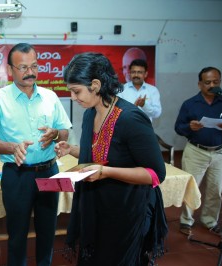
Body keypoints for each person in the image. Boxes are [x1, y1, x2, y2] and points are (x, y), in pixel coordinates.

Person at [55, 52, 167, 265]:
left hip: (126, 210)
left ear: (95, 85)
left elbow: (155, 174)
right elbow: (98, 153)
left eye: (76, 91)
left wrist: (106, 172)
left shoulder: (130, 118)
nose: (72, 97)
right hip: (97, 205)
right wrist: (71, 149)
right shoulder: (90, 113)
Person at [0, 43, 72, 266]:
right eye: (23, 67)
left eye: (34, 66)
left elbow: (65, 133)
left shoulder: (50, 96)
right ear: (10, 69)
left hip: (49, 172)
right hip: (17, 174)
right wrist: (13, 148)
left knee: (48, 229)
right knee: (17, 233)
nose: (30, 72)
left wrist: (55, 134)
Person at [175, 66, 222, 236]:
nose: (212, 85)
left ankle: (209, 221)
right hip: (196, 151)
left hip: (220, 152)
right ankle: (186, 220)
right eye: (208, 82)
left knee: (215, 189)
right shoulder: (190, 104)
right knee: (192, 187)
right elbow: (178, 127)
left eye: (216, 81)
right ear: (200, 84)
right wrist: (190, 127)